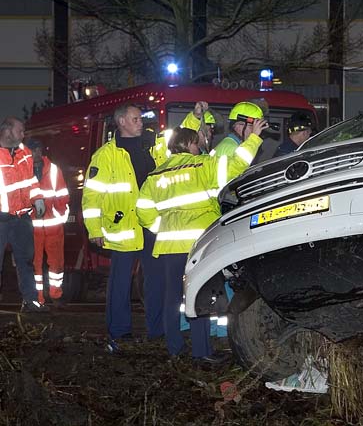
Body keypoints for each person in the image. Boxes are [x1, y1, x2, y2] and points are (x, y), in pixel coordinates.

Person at [136, 122, 265, 364]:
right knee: (199, 297)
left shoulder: (156, 175)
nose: (200, 146)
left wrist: (161, 228)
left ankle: (174, 349)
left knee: (172, 299)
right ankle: (202, 351)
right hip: (199, 245)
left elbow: (143, 211)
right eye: (197, 142)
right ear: (188, 144)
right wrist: (254, 138)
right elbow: (237, 165)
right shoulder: (204, 165)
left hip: (169, 246)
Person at [82, 104, 164, 350]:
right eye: (136, 119)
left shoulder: (152, 146)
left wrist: (196, 118)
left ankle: (157, 330)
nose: (141, 122)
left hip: (152, 224)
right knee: (121, 281)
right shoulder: (106, 155)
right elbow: (92, 196)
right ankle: (119, 331)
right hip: (123, 227)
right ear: (122, 122)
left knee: (156, 279)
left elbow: (182, 150)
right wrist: (94, 229)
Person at [0, 117, 47, 312]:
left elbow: (31, 181)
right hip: (1, 219)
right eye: (20, 131)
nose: (23, 134)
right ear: (8, 131)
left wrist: (38, 198)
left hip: (22, 218)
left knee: (26, 260)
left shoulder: (25, 153)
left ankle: (31, 301)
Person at [28, 139, 69, 306]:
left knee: (56, 264)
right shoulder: (23, 171)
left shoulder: (53, 170)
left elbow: (62, 195)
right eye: (32, 150)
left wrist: (59, 216)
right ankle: (37, 299)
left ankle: (56, 295)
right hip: (32, 228)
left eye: (37, 149)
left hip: (53, 226)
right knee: (34, 265)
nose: (35, 153)